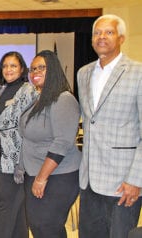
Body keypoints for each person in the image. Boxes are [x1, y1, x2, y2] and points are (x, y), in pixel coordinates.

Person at [77, 14, 142, 238]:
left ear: (121, 37)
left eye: (109, 32)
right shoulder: (83, 73)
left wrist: (136, 179)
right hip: (89, 181)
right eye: (97, 33)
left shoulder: (138, 72)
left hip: (123, 183)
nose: (101, 37)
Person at [19, 50, 81, 238]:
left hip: (57, 175)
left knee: (47, 227)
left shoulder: (63, 99)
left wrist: (41, 178)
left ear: (52, 69)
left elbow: (62, 142)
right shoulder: (40, 98)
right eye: (32, 69)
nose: (34, 72)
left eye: (41, 68)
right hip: (36, 172)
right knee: (38, 226)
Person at [0, 52, 37, 238]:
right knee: (17, 213)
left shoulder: (28, 90)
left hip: (16, 160)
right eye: (5, 66)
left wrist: (21, 164)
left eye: (13, 66)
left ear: (22, 68)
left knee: (3, 208)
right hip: (0, 157)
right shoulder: (3, 89)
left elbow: (27, 129)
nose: (8, 69)